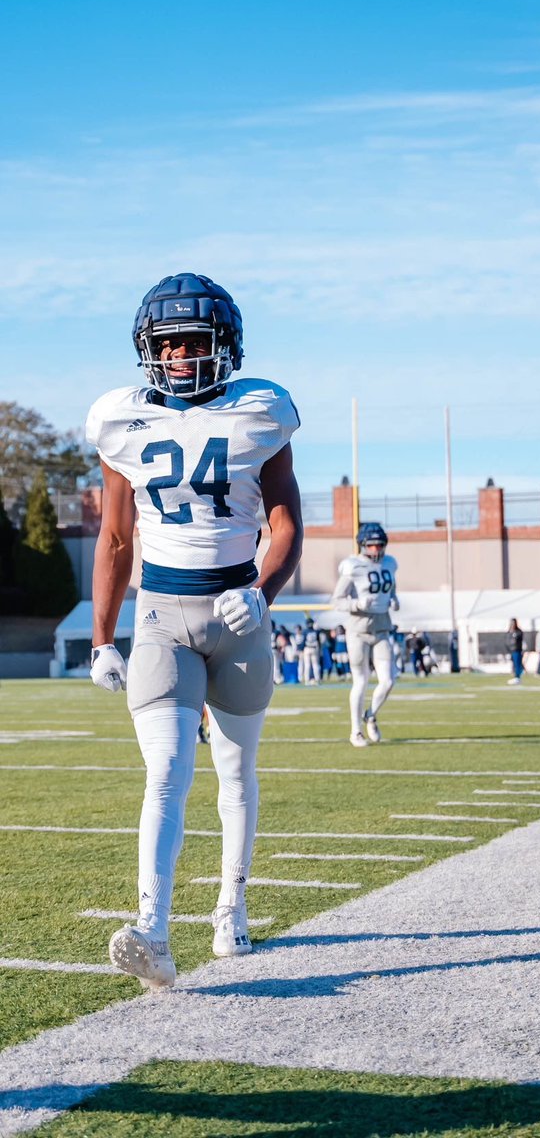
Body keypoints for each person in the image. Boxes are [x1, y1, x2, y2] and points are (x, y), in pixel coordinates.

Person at [86, 272, 302, 990]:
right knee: (167, 771)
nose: (179, 357)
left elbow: (285, 526)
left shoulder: (260, 411)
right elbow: (116, 540)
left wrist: (262, 594)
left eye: (194, 342)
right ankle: (152, 927)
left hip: (236, 613)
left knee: (234, 772)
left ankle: (229, 907)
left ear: (225, 347)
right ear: (148, 349)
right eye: (167, 343)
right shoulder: (121, 421)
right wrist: (100, 639)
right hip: (161, 616)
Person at [331, 521, 399, 747]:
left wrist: (395, 599)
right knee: (361, 681)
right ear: (362, 545)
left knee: (388, 680)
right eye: (372, 545)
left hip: (381, 626)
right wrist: (358, 603)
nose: (376, 549)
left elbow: (391, 586)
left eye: (380, 545)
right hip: (358, 629)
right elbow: (337, 601)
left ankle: (371, 714)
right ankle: (355, 732)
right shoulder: (353, 566)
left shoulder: (390, 563)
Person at [300, 617, 322, 685]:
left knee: (307, 665)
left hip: (307, 648)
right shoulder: (316, 631)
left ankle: (307, 680)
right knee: (315, 665)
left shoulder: (305, 631)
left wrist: (301, 649)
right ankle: (317, 679)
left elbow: (303, 641)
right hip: (314, 648)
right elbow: (319, 641)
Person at [506, 618, 525, 684]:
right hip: (511, 650)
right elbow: (507, 641)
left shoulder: (518, 631)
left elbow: (519, 639)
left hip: (517, 650)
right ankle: (515, 677)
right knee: (513, 664)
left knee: (517, 664)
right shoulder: (509, 632)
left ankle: (517, 677)